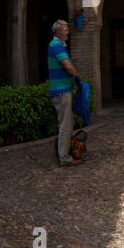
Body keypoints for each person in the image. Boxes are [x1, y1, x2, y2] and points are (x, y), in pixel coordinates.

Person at [48, 20, 84, 167]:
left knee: (68, 122)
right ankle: (64, 158)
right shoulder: (56, 45)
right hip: (61, 91)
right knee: (65, 124)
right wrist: (77, 77)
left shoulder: (57, 45)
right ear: (57, 31)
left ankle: (65, 152)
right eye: (65, 30)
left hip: (63, 89)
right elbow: (67, 65)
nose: (68, 32)